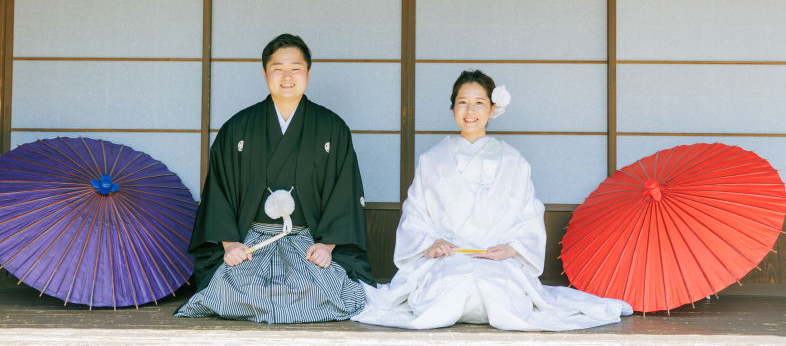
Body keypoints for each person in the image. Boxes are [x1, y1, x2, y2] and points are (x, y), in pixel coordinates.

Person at [352, 70, 632, 331]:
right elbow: (415, 214)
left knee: (492, 291)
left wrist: (512, 249)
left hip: (496, 260)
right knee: (451, 289)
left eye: (479, 103)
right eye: (462, 102)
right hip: (447, 259)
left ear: (492, 109)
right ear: (452, 108)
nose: (470, 111)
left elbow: (529, 216)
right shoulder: (432, 161)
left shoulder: (514, 162)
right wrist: (430, 244)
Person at [175, 34, 375, 323]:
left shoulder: (332, 127)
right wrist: (230, 245)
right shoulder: (238, 127)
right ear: (265, 72)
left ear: (308, 72)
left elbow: (345, 190)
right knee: (236, 288)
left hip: (307, 242)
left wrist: (327, 245)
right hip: (251, 244)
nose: (287, 76)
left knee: (323, 289)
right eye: (277, 68)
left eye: (295, 68)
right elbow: (218, 190)